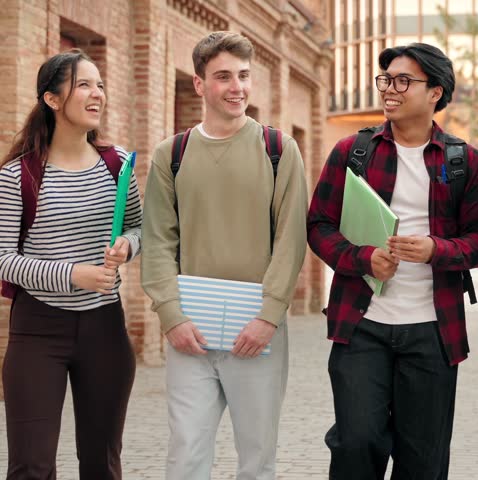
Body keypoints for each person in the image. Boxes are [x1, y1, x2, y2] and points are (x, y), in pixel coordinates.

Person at [307, 43, 478, 479]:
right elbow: (318, 225)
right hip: (361, 326)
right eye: (386, 79)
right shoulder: (353, 151)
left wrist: (435, 250)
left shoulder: (465, 163)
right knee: (357, 443)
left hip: (432, 331)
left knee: (423, 460)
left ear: (435, 93)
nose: (390, 88)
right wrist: (362, 258)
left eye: (403, 80)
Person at [141, 31, 307, 479]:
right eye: (223, 77)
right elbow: (158, 240)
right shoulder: (170, 155)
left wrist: (269, 315)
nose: (237, 87)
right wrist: (170, 316)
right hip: (189, 332)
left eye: (244, 76)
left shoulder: (278, 151)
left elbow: (291, 240)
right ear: (199, 84)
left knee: (256, 458)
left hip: (257, 332)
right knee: (186, 453)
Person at [0, 49, 140, 479]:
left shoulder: (117, 165)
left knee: (101, 464)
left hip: (105, 329)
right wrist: (74, 274)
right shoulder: (17, 175)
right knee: (32, 466)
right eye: (83, 84)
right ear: (52, 99)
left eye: (99, 84)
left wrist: (127, 247)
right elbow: (4, 260)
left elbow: (141, 228)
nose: (97, 93)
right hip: (37, 330)